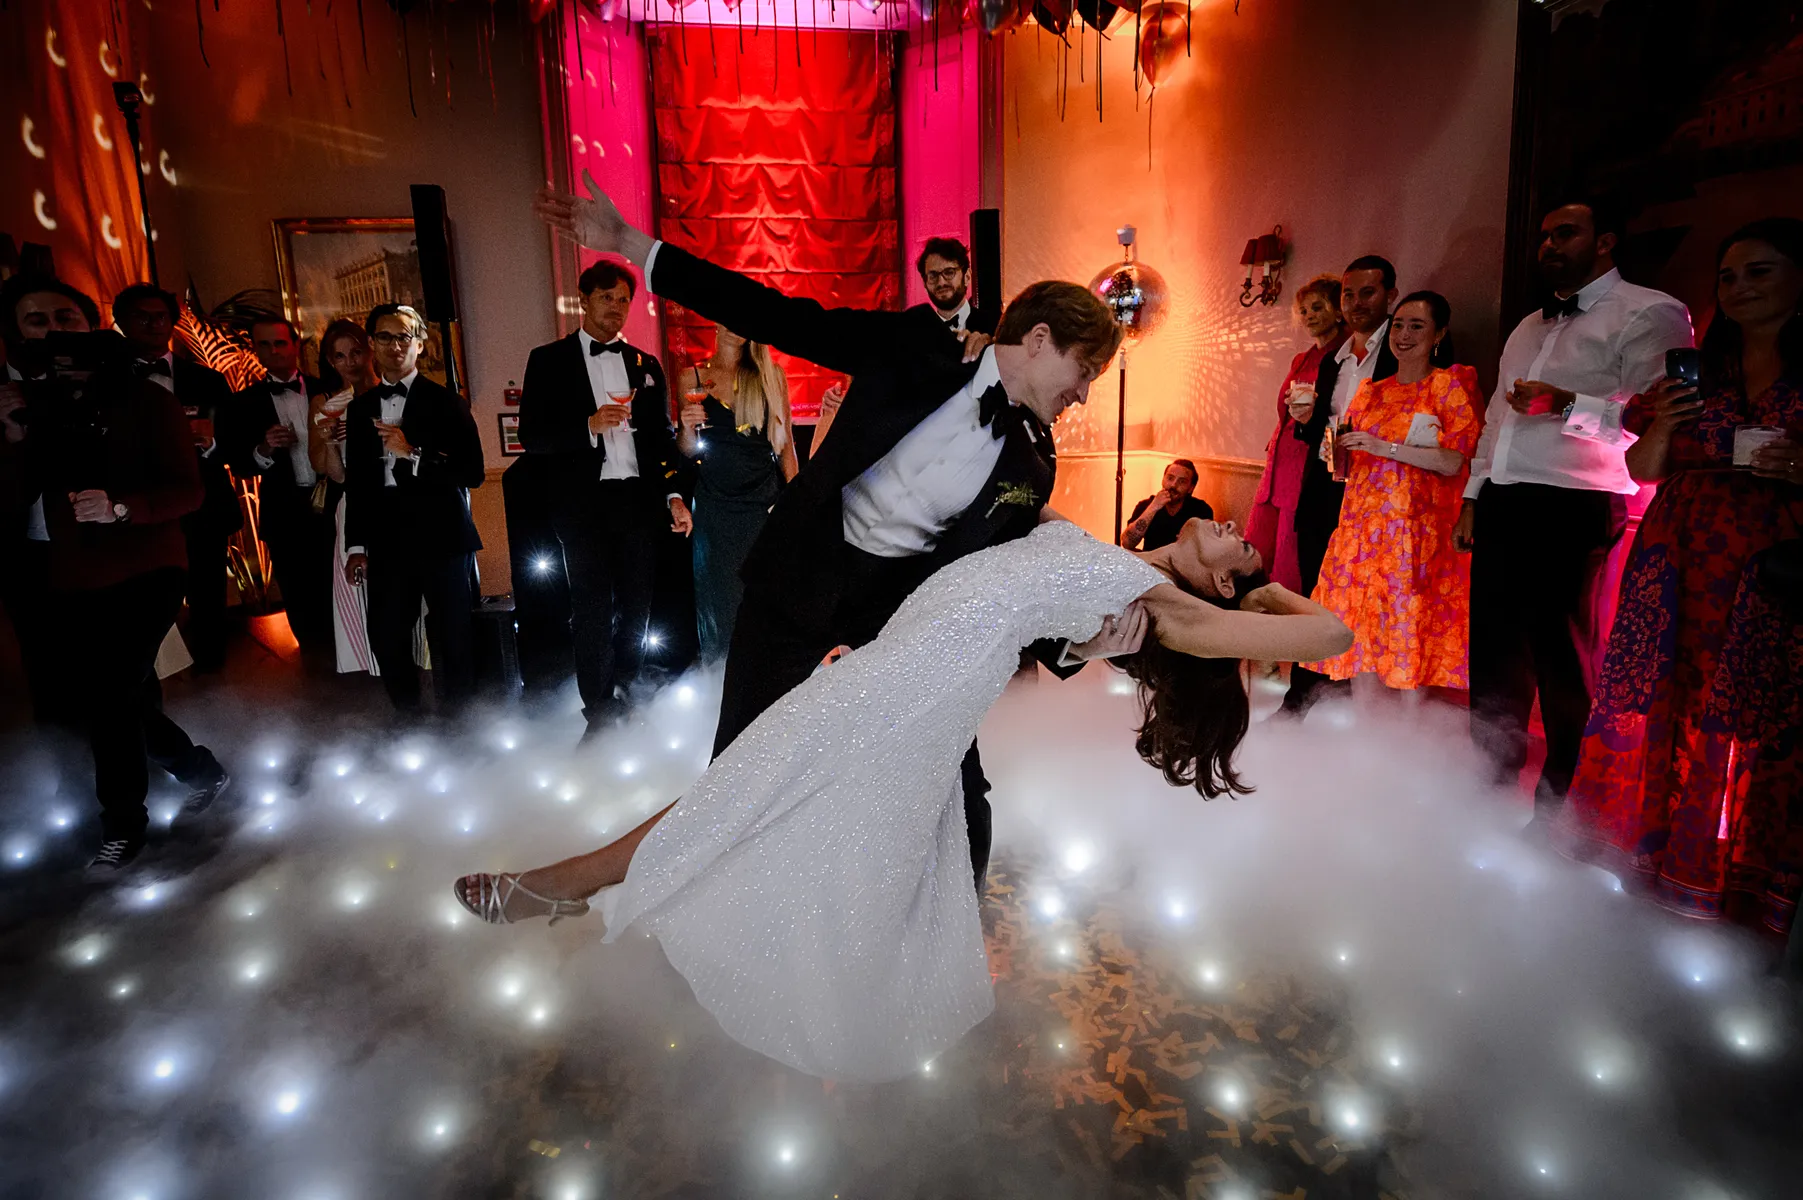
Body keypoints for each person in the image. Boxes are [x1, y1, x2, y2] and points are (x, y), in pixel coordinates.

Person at [454, 515, 1350, 1081]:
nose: (1235, 528)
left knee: (744, 797)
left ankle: (561, 886)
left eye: (1240, 548)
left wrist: (1263, 593)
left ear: (1223, 586)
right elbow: (1038, 603)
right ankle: (575, 889)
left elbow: (1333, 630)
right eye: (1244, 536)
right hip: (893, 672)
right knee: (756, 801)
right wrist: (1089, 642)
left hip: (908, 696)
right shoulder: (1120, 569)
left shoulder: (1168, 607)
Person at [535, 172, 1141, 893]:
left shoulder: (1033, 463)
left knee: (961, 794)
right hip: (798, 581)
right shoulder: (918, 346)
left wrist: (1079, 645)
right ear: (1039, 340)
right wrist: (631, 244)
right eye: (1084, 371)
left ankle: (934, 966)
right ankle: (686, 911)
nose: (1082, 393)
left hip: (898, 623)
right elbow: (775, 314)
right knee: (739, 774)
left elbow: (1003, 577)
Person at [1560, 218, 1803, 931]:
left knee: (1756, 716)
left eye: (1759, 272)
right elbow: (1642, 468)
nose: (1738, 289)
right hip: (1676, 560)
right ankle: (1653, 863)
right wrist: (1662, 425)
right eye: (1727, 276)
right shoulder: (1696, 371)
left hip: (1771, 565)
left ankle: (1735, 875)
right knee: (1666, 703)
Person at [1456, 199, 1693, 828]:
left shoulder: (1650, 312)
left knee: (1563, 657)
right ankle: (1485, 787)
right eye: (1544, 236)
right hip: (1505, 499)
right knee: (1496, 656)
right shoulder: (1528, 326)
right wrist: (1475, 495)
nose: (1549, 245)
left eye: (1566, 233)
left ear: (1606, 240)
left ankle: (1564, 807)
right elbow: (1494, 422)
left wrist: (1568, 405)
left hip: (1576, 503)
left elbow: (1660, 427)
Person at [0, 291, 229, 870]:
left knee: (108, 692)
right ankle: (199, 770)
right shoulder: (30, 406)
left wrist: (123, 507)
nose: (59, 349)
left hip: (145, 566)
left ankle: (124, 824)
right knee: (105, 696)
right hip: (62, 573)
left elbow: (189, 490)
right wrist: (12, 438)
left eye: (68, 328)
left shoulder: (148, 403)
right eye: (42, 330)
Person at [517, 260, 692, 735]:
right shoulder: (548, 360)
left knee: (638, 604)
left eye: (623, 300)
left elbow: (659, 439)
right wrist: (586, 427)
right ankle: (597, 707)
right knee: (591, 605)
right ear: (583, 300)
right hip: (582, 504)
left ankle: (628, 689)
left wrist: (674, 494)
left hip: (637, 499)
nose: (616, 308)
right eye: (606, 298)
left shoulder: (646, 365)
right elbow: (531, 436)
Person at [1305, 292, 1482, 699]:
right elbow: (1347, 463)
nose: (1403, 334)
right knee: (1360, 635)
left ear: (1439, 333)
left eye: (1417, 325)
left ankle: (1410, 740)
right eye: (1398, 324)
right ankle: (1369, 739)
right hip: (1361, 530)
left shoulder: (1450, 384)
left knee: (1408, 634)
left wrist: (1387, 448)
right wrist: (1335, 449)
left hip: (1414, 534)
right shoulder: (1371, 390)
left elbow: (1457, 461)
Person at [342, 304, 485, 716]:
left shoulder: (447, 402)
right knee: (386, 634)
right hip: (387, 535)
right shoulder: (360, 407)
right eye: (384, 337)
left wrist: (414, 454)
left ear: (420, 345)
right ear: (372, 345)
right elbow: (358, 483)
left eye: (403, 336)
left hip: (442, 531)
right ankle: (408, 717)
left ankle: (462, 722)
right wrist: (356, 544)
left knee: (453, 634)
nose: (394, 345)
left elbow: (473, 472)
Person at [1279, 256, 1399, 717]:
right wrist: (1306, 420)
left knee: (1368, 599)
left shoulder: (1402, 350)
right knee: (1316, 592)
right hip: (1326, 487)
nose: (1355, 304)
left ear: (1389, 294)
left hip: (1376, 495)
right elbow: (1320, 431)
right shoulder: (1335, 358)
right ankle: (1305, 694)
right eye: (1348, 294)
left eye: (1367, 293)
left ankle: (1357, 701)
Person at [112, 284, 242, 673]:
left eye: (161, 316)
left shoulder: (207, 380)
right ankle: (145, 675)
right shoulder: (108, 383)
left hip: (203, 502)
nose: (153, 324)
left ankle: (213, 674)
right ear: (122, 322)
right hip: (135, 507)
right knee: (144, 598)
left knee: (208, 594)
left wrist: (212, 443)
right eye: (142, 316)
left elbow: (235, 446)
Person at [1, 275, 103, 726]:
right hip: (30, 557)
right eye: (36, 320)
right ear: (16, 332)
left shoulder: (118, 387)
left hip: (110, 548)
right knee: (48, 670)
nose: (52, 329)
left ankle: (146, 775)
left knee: (124, 675)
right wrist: (13, 437)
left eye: (65, 317)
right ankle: (70, 774)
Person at [677, 324, 799, 661]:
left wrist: (797, 505)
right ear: (715, 321)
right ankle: (719, 690)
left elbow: (786, 447)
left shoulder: (771, 375)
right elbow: (687, 451)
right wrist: (686, 428)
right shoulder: (693, 378)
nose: (734, 327)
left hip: (763, 506)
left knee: (763, 603)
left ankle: (764, 690)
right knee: (720, 605)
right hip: (715, 507)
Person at [230, 318, 335, 666]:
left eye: (279, 343)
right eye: (264, 345)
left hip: (335, 507)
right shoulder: (244, 403)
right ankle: (315, 667)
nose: (273, 351)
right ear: (256, 350)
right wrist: (264, 448)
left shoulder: (330, 389)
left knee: (339, 588)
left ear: (294, 345)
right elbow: (242, 466)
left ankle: (351, 660)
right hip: (285, 514)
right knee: (298, 594)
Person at [1247, 275, 1348, 591]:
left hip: (1309, 456)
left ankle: (1284, 615)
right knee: (1259, 539)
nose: (1309, 316)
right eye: (1304, 311)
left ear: (1337, 310)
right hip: (1281, 454)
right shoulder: (1302, 357)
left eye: (1318, 307)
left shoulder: (1343, 356)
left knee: (1291, 543)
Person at [1121, 459, 1213, 551]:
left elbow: (1205, 552)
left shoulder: (1201, 510)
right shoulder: (1146, 505)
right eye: (1170, 478)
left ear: (1191, 488)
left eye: (1182, 481)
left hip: (1181, 564)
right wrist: (1153, 507)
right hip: (1151, 562)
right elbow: (1127, 543)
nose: (1173, 485)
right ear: (1163, 479)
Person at [915, 237, 991, 335]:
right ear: (925, 284)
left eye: (949, 272)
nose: (941, 282)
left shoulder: (994, 326)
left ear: (967, 277)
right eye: (933, 276)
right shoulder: (917, 333)